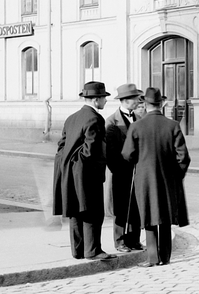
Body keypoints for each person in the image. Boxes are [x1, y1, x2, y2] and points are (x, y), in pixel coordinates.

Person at [122, 86, 191, 267]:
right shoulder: (172, 125)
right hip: (168, 180)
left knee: (148, 216)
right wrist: (176, 176)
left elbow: (127, 154)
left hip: (144, 179)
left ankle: (152, 258)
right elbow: (183, 157)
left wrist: (140, 163)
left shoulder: (136, 126)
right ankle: (165, 257)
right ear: (161, 104)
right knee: (165, 217)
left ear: (145, 104)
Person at [52, 81, 113, 260]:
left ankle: (78, 251)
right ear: (95, 100)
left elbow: (61, 145)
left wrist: (68, 162)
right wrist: (83, 163)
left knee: (75, 210)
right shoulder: (95, 119)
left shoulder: (71, 118)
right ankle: (93, 251)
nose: (105, 101)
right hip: (86, 173)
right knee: (92, 211)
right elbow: (90, 149)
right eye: (104, 97)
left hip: (68, 171)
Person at [104, 82, 144, 253]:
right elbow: (110, 152)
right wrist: (119, 170)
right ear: (126, 100)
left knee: (136, 205)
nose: (138, 101)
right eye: (136, 99)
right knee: (121, 207)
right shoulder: (111, 122)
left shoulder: (139, 119)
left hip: (138, 171)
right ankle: (119, 241)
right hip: (120, 172)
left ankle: (134, 239)